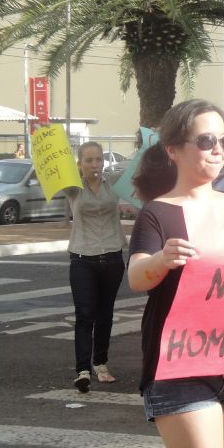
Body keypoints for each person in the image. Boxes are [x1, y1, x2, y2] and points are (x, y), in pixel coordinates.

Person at [128, 99, 224, 448]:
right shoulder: (157, 212)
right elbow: (137, 276)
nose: (218, 149)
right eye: (206, 140)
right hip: (181, 371)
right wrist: (161, 260)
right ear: (172, 149)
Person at [66, 141, 127, 392]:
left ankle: (101, 363)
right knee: (85, 314)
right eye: (89, 160)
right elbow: (47, 173)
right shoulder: (72, 187)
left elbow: (141, 169)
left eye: (99, 159)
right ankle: (83, 370)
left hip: (112, 257)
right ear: (80, 163)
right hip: (82, 258)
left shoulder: (113, 182)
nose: (95, 165)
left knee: (105, 314)